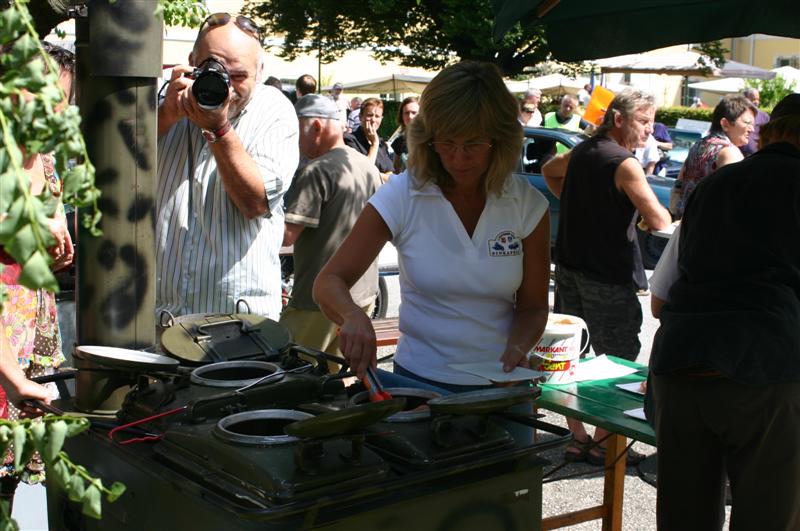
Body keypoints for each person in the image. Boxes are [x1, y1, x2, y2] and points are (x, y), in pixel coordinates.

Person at [313, 61, 551, 390]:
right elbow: (328, 281)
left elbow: (535, 307)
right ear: (428, 139)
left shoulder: (526, 204)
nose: (458, 158)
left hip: (503, 386)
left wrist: (517, 349)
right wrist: (352, 315)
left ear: (500, 140)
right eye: (446, 143)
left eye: (473, 145)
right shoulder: (404, 193)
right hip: (419, 382)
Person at [647, 94, 800, 531]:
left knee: (684, 518)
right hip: (767, 368)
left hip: (681, 363)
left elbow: (660, 300)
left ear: (770, 135)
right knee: (770, 517)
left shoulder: (716, 185)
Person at [541, 88, 671, 465]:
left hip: (569, 268)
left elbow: (550, 169)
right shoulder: (624, 163)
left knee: (571, 354)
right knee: (618, 358)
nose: (649, 130)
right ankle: (602, 441)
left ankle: (577, 437)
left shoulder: (584, 150)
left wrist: (571, 198)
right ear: (619, 119)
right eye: (643, 121)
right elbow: (660, 219)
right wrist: (644, 215)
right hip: (606, 275)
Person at [155, 13, 299, 320]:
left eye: (238, 76)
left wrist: (218, 129)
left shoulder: (274, 110)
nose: (226, 87)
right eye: (213, 69)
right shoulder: (163, 98)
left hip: (237, 323)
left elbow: (255, 202)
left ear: (260, 71)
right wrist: (164, 116)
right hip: (160, 317)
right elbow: (111, 171)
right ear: (192, 60)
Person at [0, 40, 75, 506]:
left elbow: (53, 226)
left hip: (28, 340)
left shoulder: (44, 161)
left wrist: (56, 244)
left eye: (62, 99)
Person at [280, 95, 382, 370]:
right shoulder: (367, 166)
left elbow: (287, 236)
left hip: (316, 302)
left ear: (315, 127)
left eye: (295, 132)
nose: (294, 141)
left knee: (289, 374)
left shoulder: (316, 171)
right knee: (339, 382)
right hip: (361, 298)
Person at [673, 94, 756, 217]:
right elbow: (741, 198)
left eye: (753, 124)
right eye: (747, 123)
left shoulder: (698, 144)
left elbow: (678, 185)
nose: (752, 129)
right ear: (725, 124)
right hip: (713, 229)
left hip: (688, 226)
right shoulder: (729, 152)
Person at [343, 98, 393, 181]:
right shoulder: (349, 140)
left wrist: (375, 175)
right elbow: (363, 174)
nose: (373, 120)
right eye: (370, 115)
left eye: (377, 116)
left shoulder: (382, 144)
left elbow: (390, 175)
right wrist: (374, 144)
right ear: (360, 117)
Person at [391, 96, 419, 174]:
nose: (410, 116)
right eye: (406, 113)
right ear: (402, 116)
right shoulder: (399, 142)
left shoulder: (429, 139)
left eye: (414, 112)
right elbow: (396, 169)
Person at [739, 87, 771, 157]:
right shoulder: (738, 115)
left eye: (758, 99)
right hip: (740, 157)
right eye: (753, 99)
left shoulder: (764, 116)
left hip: (758, 156)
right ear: (745, 99)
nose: (756, 102)